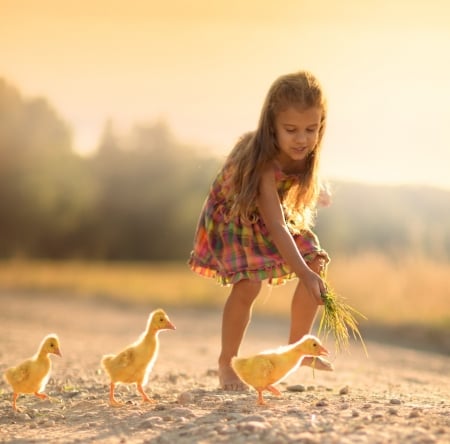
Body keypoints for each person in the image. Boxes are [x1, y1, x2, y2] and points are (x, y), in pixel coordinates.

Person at [188, 70, 333, 390]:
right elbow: (277, 225)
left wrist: (318, 189)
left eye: (311, 129)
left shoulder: (305, 155)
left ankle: (298, 348)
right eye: (291, 130)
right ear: (272, 127)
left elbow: (289, 195)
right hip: (234, 216)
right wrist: (306, 278)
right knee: (249, 285)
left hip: (269, 215)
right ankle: (227, 363)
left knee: (314, 261)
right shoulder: (261, 160)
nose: (302, 139)